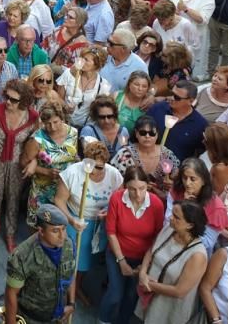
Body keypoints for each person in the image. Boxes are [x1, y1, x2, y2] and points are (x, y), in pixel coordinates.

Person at [0, 79, 39, 250]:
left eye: (14, 100)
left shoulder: (33, 117)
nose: (8, 102)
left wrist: (33, 161)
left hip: (18, 163)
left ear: (24, 101)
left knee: (13, 199)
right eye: (7, 97)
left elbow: (37, 143)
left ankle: (10, 233)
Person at [101, 165, 166, 324]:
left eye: (142, 188)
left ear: (148, 186)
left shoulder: (156, 205)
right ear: (125, 187)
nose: (138, 194)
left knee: (131, 295)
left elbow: (156, 238)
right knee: (115, 293)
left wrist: (143, 267)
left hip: (142, 258)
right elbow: (111, 232)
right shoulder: (116, 199)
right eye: (132, 189)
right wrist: (121, 261)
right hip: (117, 253)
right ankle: (103, 319)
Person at [54, 140, 122, 279]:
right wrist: (71, 220)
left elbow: (119, 200)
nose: (93, 171)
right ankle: (68, 288)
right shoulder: (72, 173)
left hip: (100, 224)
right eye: (90, 166)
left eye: (99, 167)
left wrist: (109, 212)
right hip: (75, 219)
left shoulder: (114, 175)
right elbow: (59, 200)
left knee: (89, 261)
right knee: (72, 259)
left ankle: (78, 286)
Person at [2, 203, 78, 324]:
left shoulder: (69, 245)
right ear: (41, 231)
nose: (62, 236)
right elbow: (11, 294)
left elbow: (71, 273)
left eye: (63, 229)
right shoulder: (22, 256)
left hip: (58, 316)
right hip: (30, 318)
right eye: (55, 231)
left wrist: (72, 304)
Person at [136, 200, 208, 324]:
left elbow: (180, 291)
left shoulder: (197, 255)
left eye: (176, 217)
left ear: (190, 225)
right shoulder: (169, 229)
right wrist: (143, 273)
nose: (170, 218)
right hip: (150, 295)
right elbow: (151, 251)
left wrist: (148, 284)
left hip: (169, 307)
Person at [25, 102, 78, 226]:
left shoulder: (73, 133)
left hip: (65, 188)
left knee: (60, 224)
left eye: (56, 122)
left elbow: (73, 156)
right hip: (42, 189)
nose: (52, 127)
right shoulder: (37, 139)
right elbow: (24, 163)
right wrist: (46, 172)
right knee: (39, 224)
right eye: (48, 123)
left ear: (62, 118)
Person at [168, 157, 228, 253]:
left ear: (203, 181)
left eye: (193, 179)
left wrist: (188, 208)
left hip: (195, 252)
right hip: (170, 242)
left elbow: (207, 243)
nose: (187, 183)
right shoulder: (176, 191)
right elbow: (167, 222)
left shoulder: (216, 206)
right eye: (185, 178)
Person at [147, 79, 208, 162]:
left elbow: (201, 153)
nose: (171, 98)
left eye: (177, 97)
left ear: (191, 101)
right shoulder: (158, 109)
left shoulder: (200, 125)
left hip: (174, 171)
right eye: (171, 93)